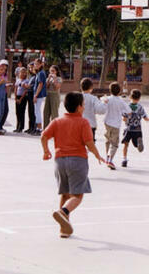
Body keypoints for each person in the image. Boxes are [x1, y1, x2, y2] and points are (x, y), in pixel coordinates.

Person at [41, 92, 105, 238]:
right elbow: (89, 143)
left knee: (65, 194)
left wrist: (46, 151)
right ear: (79, 107)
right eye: (83, 104)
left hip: (60, 161)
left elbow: (44, 136)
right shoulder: (83, 122)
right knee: (77, 195)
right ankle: (63, 212)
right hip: (77, 161)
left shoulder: (57, 121)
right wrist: (97, 154)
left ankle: (64, 229)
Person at [101, 82, 130, 170]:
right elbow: (129, 111)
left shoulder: (108, 99)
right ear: (119, 91)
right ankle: (110, 159)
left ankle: (107, 157)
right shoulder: (121, 101)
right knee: (114, 143)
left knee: (108, 140)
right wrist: (123, 113)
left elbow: (102, 104)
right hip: (116, 124)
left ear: (110, 90)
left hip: (107, 122)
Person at [121, 90, 149, 168]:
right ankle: (138, 142)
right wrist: (146, 119)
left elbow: (124, 117)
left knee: (126, 144)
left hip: (128, 129)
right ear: (139, 98)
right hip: (137, 129)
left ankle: (124, 159)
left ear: (130, 97)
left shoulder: (127, 106)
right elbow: (144, 116)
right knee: (136, 144)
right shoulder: (140, 107)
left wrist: (125, 118)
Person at [33, 59, 48, 136]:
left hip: (39, 95)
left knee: (37, 111)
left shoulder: (41, 73)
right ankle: (38, 127)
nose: (35, 65)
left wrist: (36, 95)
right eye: (35, 64)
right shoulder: (38, 73)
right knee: (36, 111)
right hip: (38, 94)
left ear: (41, 64)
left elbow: (40, 84)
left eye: (37, 64)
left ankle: (39, 128)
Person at [14, 67, 31, 133]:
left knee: (21, 112)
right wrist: (15, 97)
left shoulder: (26, 81)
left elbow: (25, 90)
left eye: (24, 72)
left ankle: (21, 127)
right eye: (21, 72)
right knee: (17, 112)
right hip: (17, 96)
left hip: (23, 97)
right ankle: (17, 126)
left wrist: (21, 99)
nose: (22, 74)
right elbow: (15, 88)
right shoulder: (18, 80)